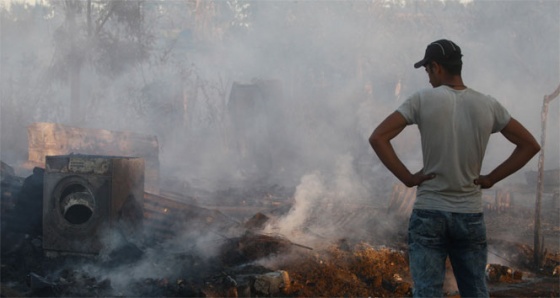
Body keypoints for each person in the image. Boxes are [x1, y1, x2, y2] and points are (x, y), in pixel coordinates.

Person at [369, 39, 540, 297]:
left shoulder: (422, 100)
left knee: (427, 292)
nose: (428, 79)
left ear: (436, 67)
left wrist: (407, 178)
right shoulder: (488, 104)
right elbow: (529, 145)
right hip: (469, 214)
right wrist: (491, 178)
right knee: (475, 291)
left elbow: (378, 137)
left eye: (427, 71)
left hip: (429, 213)